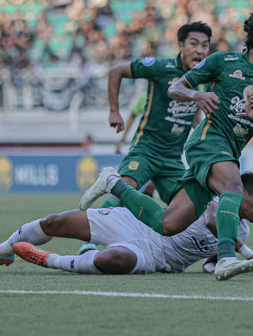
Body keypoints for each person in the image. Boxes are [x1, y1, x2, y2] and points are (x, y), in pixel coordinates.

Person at [81, 6, 253, 280]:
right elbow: (175, 88)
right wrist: (196, 96)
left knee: (168, 223)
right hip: (206, 142)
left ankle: (112, 183)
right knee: (233, 189)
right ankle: (225, 259)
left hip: (218, 152)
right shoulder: (222, 62)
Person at [0, 172, 253, 276]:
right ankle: (1, 250)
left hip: (159, 259)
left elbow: (211, 264)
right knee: (55, 221)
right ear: (240, 193)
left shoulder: (242, 230)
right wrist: (249, 254)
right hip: (136, 226)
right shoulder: (217, 206)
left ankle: (49, 260)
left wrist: (216, 265)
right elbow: (214, 222)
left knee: (110, 260)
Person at [75, 22, 211, 255]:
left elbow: (195, 109)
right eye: (194, 44)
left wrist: (199, 127)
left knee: (188, 204)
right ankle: (89, 241)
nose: (199, 50)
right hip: (146, 150)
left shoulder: (203, 76)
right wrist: (114, 110)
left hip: (172, 159)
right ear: (180, 45)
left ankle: (208, 252)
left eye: (205, 45)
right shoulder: (161, 67)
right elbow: (116, 71)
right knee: (125, 186)